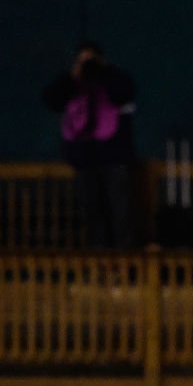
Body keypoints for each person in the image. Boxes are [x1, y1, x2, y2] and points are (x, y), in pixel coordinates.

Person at [43, 41, 138, 248]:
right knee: (92, 214)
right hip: (85, 159)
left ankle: (124, 267)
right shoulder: (73, 83)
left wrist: (105, 70)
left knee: (121, 213)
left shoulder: (113, 79)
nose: (88, 66)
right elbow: (51, 100)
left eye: (91, 60)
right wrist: (72, 76)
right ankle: (99, 267)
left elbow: (125, 92)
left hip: (115, 158)